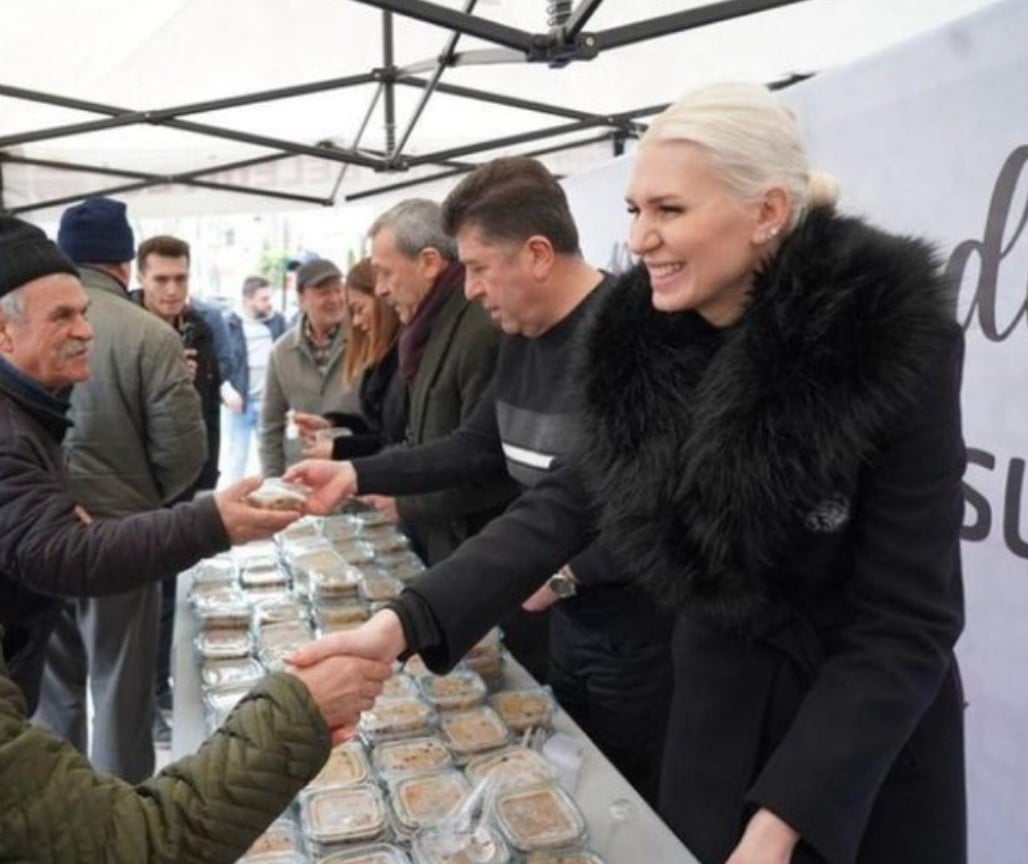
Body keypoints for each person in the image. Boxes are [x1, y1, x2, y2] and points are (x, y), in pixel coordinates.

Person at [288, 82, 967, 864]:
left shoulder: (892, 344)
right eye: (635, 211)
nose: (640, 239)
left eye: (669, 211)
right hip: (714, 720)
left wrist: (782, 823)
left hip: (848, 755)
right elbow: (565, 503)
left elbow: (907, 623)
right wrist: (400, 625)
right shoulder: (649, 339)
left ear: (768, 212)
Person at [294, 157, 673, 803]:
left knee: (625, 802)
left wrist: (559, 579)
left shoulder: (636, 342)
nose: (468, 289)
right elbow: (476, 446)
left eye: (475, 266)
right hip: (563, 622)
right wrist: (354, 470)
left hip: (638, 638)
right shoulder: (524, 332)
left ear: (536, 254)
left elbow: (616, 505)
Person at [0, 215, 312, 716]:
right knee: (120, 698)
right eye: (62, 316)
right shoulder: (11, 428)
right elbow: (64, 553)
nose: (85, 330)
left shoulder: (28, 408)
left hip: (73, 588)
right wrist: (206, 519)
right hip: (115, 544)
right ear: (4, 332)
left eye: (82, 312)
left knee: (65, 707)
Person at [33, 197, 206, 782]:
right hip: (124, 540)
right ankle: (120, 829)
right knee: (121, 697)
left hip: (36, 538)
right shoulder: (149, 336)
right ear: (126, 265)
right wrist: (144, 503)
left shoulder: (22, 330)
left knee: (51, 696)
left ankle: (57, 817)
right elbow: (184, 455)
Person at [356, 198, 518, 567]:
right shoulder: (431, 325)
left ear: (429, 262)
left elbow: (487, 461)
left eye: (385, 273)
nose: (379, 289)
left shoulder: (480, 328)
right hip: (449, 540)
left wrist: (403, 499)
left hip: (479, 549)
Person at [132, 234, 223, 734]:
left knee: (176, 597)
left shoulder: (200, 329)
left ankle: (162, 691)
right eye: (161, 279)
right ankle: (146, 702)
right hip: (141, 495)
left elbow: (210, 408)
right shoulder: (129, 333)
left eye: (180, 278)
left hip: (188, 489)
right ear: (140, 278)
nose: (171, 289)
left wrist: (210, 479)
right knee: (149, 602)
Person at [293, 257, 405, 461]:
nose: (356, 321)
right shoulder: (381, 357)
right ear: (302, 297)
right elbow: (376, 430)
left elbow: (397, 440)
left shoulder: (405, 358)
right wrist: (332, 426)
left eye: (359, 309)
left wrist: (340, 448)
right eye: (323, 293)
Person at [259, 258, 361, 477]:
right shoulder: (282, 352)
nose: (334, 299)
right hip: (303, 473)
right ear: (302, 298)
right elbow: (270, 426)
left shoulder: (364, 340)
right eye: (323, 292)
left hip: (355, 471)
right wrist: (272, 482)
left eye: (338, 290)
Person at [223, 275, 287, 481]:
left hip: (269, 402)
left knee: (271, 459)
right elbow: (220, 362)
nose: (269, 304)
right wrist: (226, 389)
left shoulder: (278, 322)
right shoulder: (230, 324)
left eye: (270, 298)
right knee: (236, 460)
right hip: (241, 402)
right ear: (247, 299)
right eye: (263, 299)